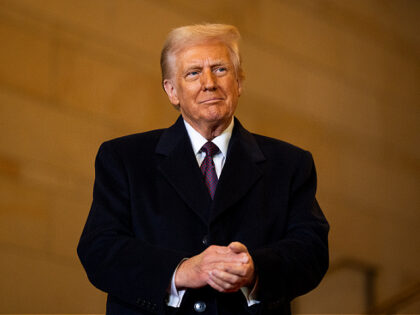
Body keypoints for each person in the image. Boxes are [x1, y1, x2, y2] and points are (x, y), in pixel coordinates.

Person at [77, 23, 329, 315]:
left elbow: (311, 250)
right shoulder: (124, 158)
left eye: (220, 69)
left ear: (239, 82)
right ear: (172, 91)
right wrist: (182, 270)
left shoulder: (290, 164)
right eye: (193, 73)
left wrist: (255, 269)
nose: (209, 82)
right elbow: (99, 248)